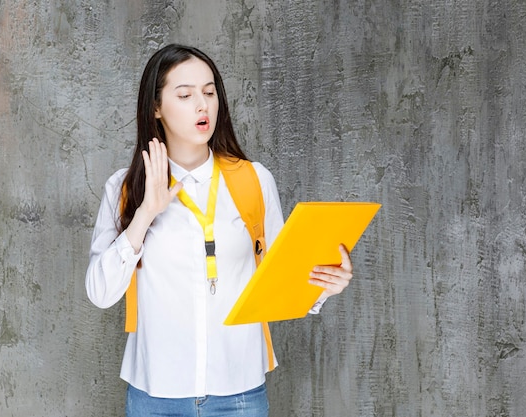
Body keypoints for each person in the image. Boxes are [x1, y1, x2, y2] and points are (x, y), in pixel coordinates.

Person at [85, 44, 354, 417]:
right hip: (155, 396)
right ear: (156, 107)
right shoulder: (125, 187)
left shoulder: (254, 180)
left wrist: (326, 283)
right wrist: (146, 213)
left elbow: (283, 276)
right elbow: (100, 292)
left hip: (239, 393)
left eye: (209, 92)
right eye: (185, 94)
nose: (202, 105)